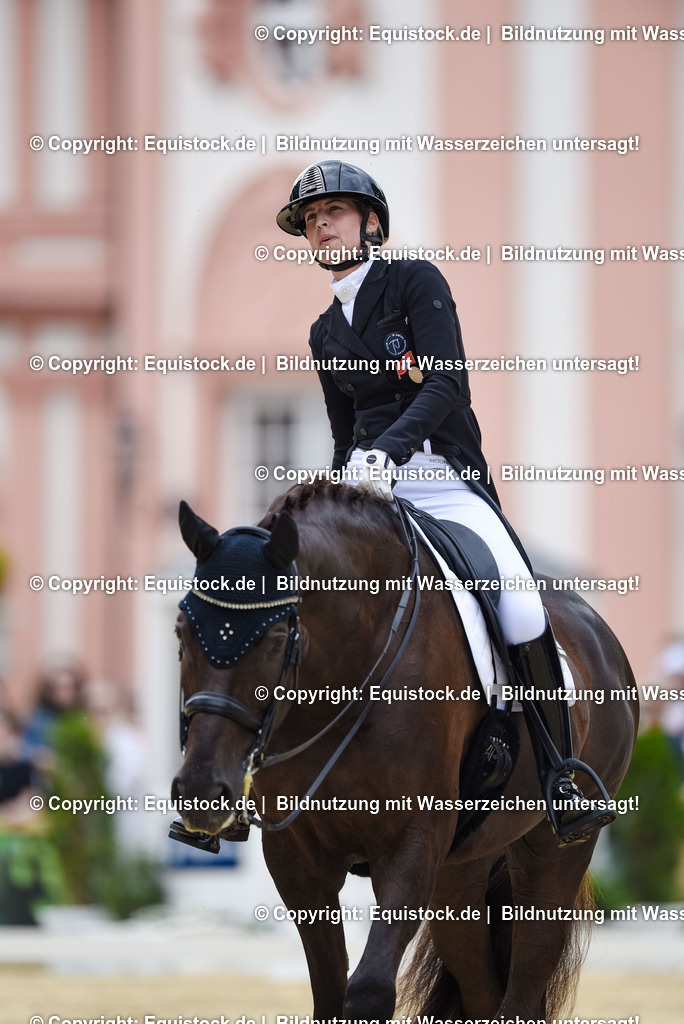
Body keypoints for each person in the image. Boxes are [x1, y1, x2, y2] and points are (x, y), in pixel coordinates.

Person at [276, 160, 614, 845]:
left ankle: (561, 775)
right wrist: (336, 484)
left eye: (332, 213)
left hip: (444, 479)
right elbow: (345, 434)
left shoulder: (415, 283)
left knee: (518, 604)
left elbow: (446, 386)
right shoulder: (324, 333)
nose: (321, 227)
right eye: (311, 221)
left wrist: (388, 453)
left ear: (370, 223)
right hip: (373, 493)